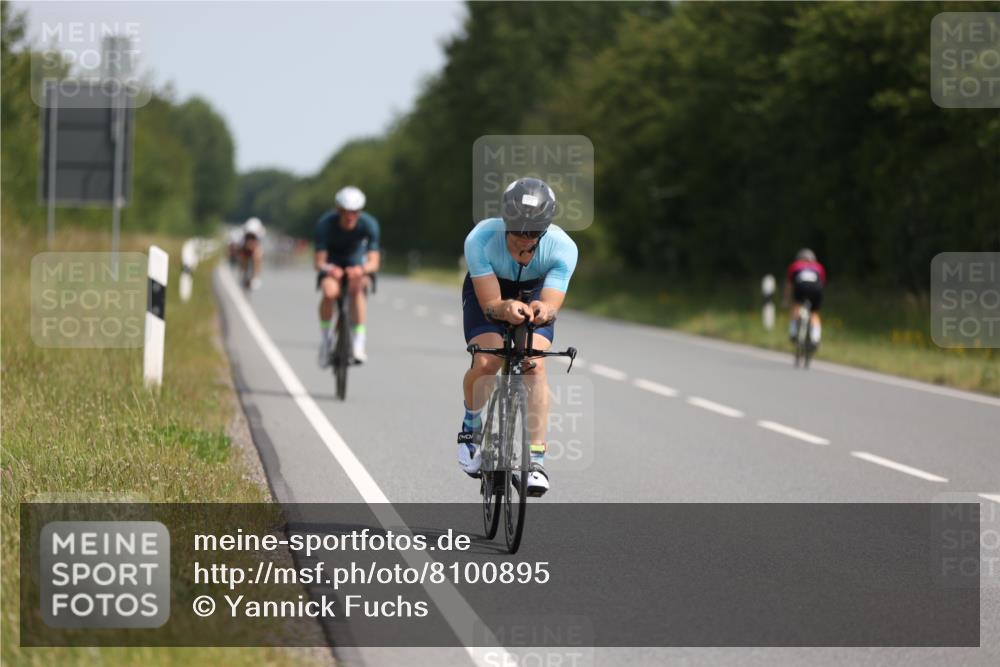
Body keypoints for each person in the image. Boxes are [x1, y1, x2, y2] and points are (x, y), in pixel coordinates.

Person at [457, 177, 578, 497]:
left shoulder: (563, 247)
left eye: (533, 233)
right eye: (517, 230)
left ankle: (535, 460)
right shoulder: (481, 239)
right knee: (487, 360)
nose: (523, 240)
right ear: (505, 222)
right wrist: (504, 307)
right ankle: (471, 427)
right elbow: (491, 305)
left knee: (534, 365)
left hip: (535, 290)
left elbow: (551, 303)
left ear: (545, 229)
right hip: (492, 289)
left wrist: (543, 310)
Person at [315, 186, 380, 366]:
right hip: (333, 264)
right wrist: (329, 269)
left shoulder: (369, 224)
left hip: (356, 264)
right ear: (338, 210)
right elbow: (318, 261)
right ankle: (326, 340)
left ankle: (359, 341)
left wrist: (362, 269)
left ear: (360, 212)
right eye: (345, 212)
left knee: (357, 287)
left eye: (355, 212)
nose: (350, 216)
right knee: (328, 293)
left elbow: (374, 261)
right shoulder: (325, 224)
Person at [784, 248, 826, 346]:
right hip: (816, 289)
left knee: (796, 307)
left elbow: (789, 285)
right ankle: (816, 338)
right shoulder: (819, 267)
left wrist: (786, 299)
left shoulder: (795, 266)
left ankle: (793, 333)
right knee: (814, 313)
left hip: (801, 287)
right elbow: (822, 283)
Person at [240, 217, 266, 290]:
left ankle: (256, 276)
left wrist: (256, 252)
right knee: (243, 256)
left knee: (257, 256)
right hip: (245, 245)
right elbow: (242, 244)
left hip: (256, 245)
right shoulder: (245, 232)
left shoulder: (260, 233)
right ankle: (243, 272)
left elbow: (258, 245)